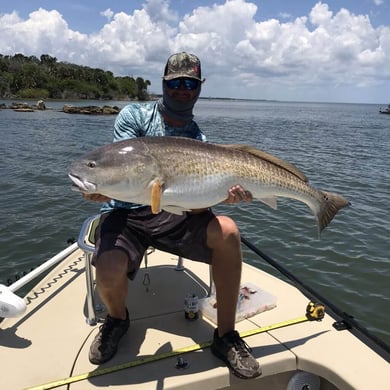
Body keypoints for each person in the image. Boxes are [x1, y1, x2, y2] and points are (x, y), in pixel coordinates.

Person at [83, 52, 262, 379]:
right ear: (164, 84)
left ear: (198, 88)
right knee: (108, 269)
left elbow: (196, 206)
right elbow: (124, 167)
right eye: (175, 82)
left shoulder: (198, 139)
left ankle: (225, 337)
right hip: (127, 213)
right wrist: (105, 187)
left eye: (190, 83)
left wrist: (226, 195)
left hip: (173, 212)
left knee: (228, 231)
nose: (182, 89)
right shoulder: (134, 115)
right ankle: (116, 320)